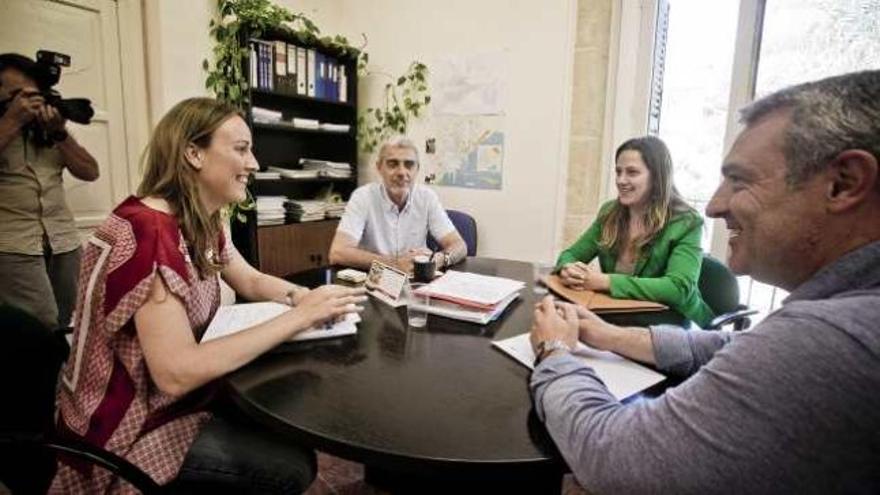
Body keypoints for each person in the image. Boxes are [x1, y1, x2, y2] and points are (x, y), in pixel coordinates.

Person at [529, 70, 880, 494]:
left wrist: (555, 350)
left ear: (844, 183)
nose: (716, 205)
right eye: (617, 171)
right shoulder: (851, 310)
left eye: (740, 180)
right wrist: (605, 334)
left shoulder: (829, 337)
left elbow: (618, 461)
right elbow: (728, 346)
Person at [51, 97, 366, 494]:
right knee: (290, 465)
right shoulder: (149, 235)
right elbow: (176, 373)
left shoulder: (200, 217)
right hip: (125, 427)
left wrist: (305, 297)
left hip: (169, 400)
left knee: (289, 416)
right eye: (241, 149)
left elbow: (249, 280)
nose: (253, 163)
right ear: (194, 154)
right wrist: (298, 319)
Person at [555, 136, 714, 326]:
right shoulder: (609, 213)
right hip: (621, 318)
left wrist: (605, 281)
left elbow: (678, 288)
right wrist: (567, 268)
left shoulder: (687, 223)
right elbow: (571, 254)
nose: (621, 180)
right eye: (618, 171)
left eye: (632, 172)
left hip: (675, 324)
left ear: (657, 177)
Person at [0, 53, 99, 330]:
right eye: (18, 95)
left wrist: (60, 134)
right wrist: (12, 121)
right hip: (13, 245)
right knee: (38, 324)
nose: (29, 102)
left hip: (62, 240)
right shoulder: (7, 125)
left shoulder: (48, 131)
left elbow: (90, 171)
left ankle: (62, 372)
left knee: (69, 317)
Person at [328, 136, 468, 274]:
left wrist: (440, 259)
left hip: (416, 282)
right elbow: (338, 253)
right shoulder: (363, 197)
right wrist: (394, 265)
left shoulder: (427, 197)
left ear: (417, 169)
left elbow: (459, 246)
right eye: (393, 164)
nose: (402, 172)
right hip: (374, 280)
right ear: (379, 168)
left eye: (409, 165)